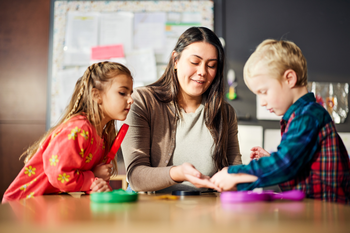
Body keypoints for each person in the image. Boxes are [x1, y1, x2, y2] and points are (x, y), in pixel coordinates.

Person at [211, 39, 350, 204]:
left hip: (330, 214)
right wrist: (272, 159)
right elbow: (295, 164)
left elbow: (286, 164)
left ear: (290, 78)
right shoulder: (301, 115)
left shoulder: (307, 115)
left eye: (264, 92)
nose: (262, 102)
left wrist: (234, 175)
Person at [122, 27, 242, 193]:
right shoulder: (142, 101)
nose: (202, 72)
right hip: (153, 212)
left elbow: (235, 173)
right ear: (175, 60)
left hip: (208, 212)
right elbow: (136, 177)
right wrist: (178, 173)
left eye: (211, 66)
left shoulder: (225, 113)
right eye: (194, 62)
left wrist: (250, 173)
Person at [2, 62, 134, 203]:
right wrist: (92, 178)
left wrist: (98, 186)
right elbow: (58, 174)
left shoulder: (102, 136)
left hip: (47, 204)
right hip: (20, 206)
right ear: (96, 95)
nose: (131, 100)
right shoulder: (79, 129)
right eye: (122, 93)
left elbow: (86, 179)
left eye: (130, 94)